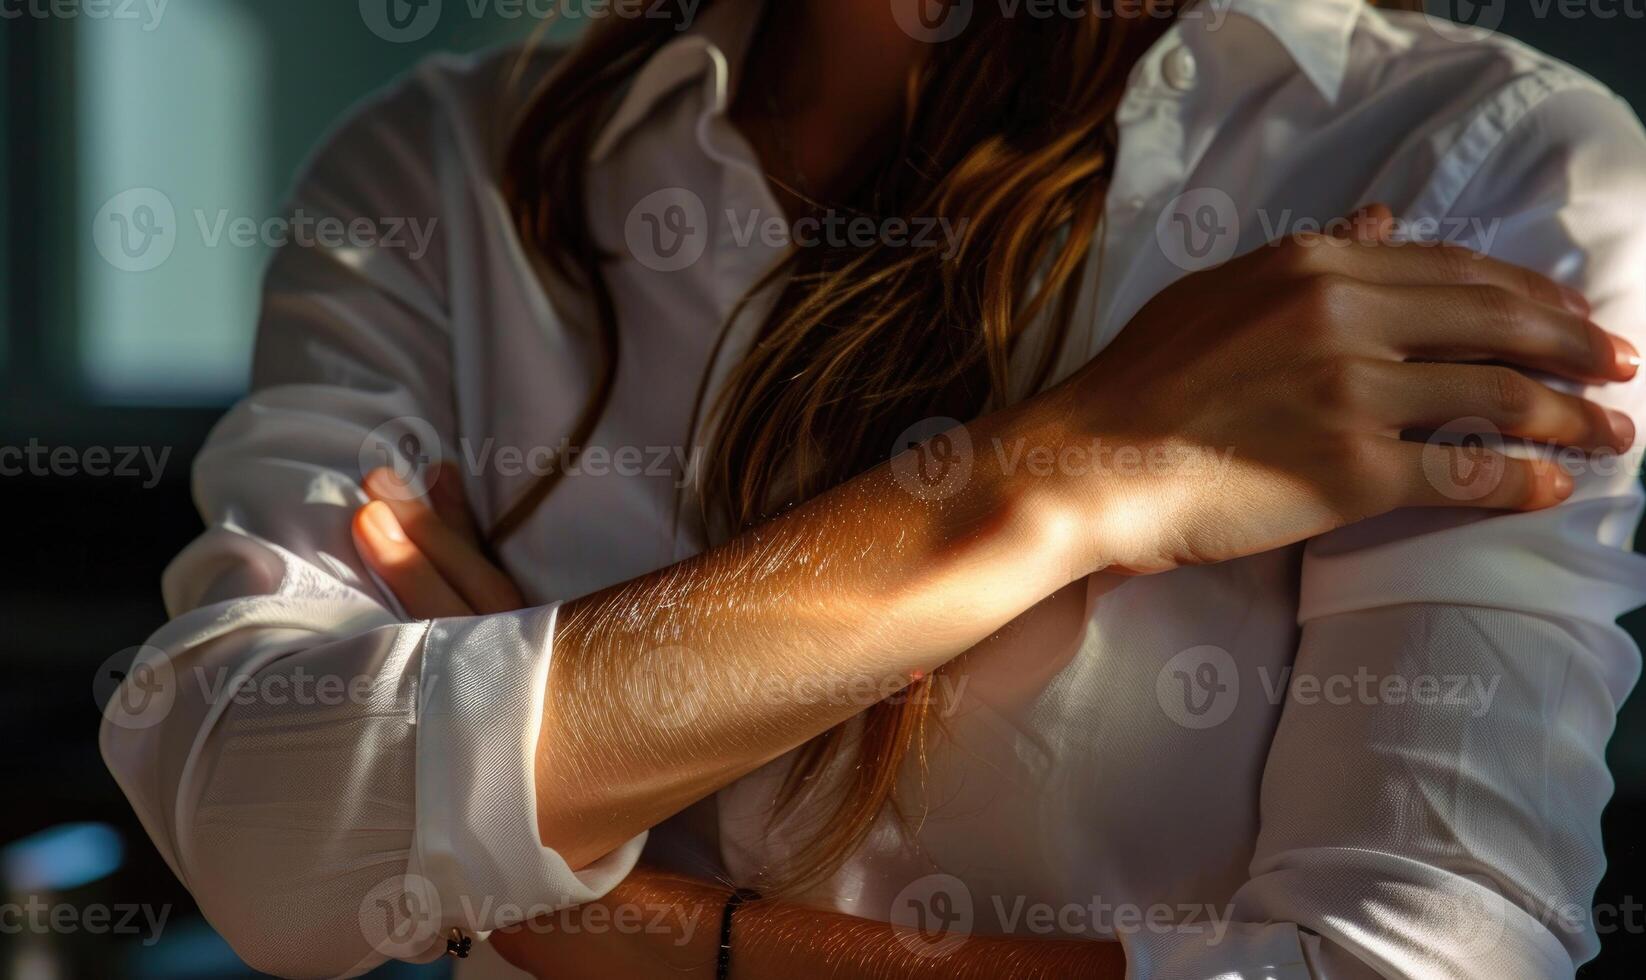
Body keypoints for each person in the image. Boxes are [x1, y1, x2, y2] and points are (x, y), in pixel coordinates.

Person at [101, 0, 1646, 976]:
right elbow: (259, 828)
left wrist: (584, 911)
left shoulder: (1485, 168)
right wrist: (1054, 486)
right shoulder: (439, 174)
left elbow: (1415, 964)